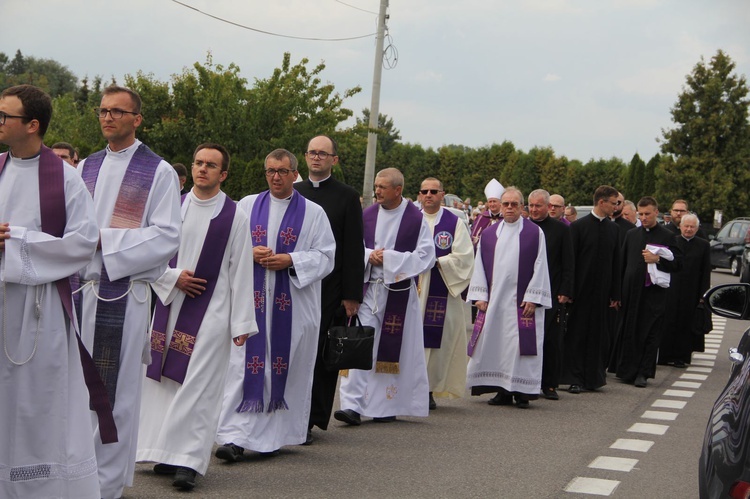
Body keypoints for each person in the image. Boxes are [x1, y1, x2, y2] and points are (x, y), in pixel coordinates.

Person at [76, 85, 181, 499]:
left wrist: (105, 243)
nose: (108, 118)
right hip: (80, 292)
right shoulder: (85, 166)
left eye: (118, 112)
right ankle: (81, 475)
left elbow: (167, 236)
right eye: (103, 111)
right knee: (80, 389)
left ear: (137, 119)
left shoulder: (157, 172)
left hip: (123, 295)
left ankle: (107, 485)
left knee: (113, 393)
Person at [136, 144, 257, 491]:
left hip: (213, 314)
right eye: (199, 163)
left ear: (224, 174)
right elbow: (150, 254)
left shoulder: (235, 216)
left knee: (199, 388)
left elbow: (241, 270)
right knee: (163, 382)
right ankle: (166, 451)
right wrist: (173, 278)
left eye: (211, 165)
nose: (203, 169)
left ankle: (188, 461)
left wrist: (241, 323)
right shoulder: (172, 206)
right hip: (169, 305)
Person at [0, 85, 100, 498]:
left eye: (5, 116)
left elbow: (83, 242)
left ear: (32, 125)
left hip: (39, 312)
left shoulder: (65, 178)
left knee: (39, 403)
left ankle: (42, 488)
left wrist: (16, 242)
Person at [215, 148, 335, 459]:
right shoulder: (246, 206)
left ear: (295, 174)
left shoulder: (313, 213)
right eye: (270, 171)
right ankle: (234, 437)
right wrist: (249, 252)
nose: (276, 177)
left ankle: (272, 437)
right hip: (249, 305)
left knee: (282, 369)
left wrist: (291, 260)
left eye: (282, 171)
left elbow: (326, 257)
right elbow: (225, 246)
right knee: (242, 368)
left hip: (292, 307)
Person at [335, 168, 435, 425]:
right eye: (376, 186)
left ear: (398, 190)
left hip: (398, 292)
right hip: (369, 290)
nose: (376, 191)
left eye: (382, 187)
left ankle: (385, 406)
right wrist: (369, 255)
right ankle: (352, 406)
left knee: (394, 349)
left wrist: (388, 258)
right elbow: (350, 249)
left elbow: (426, 257)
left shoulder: (416, 219)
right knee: (360, 342)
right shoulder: (366, 215)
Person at [294, 135, 364, 443]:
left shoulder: (347, 196)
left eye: (323, 154)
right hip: (295, 285)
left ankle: (312, 418)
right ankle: (290, 414)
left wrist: (352, 294)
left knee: (322, 354)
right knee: (295, 350)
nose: (316, 158)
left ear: (334, 160)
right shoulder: (294, 193)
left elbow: (352, 247)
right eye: (312, 153)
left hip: (330, 289)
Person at [467, 187, 551, 409]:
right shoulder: (489, 234)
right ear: (500, 207)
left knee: (520, 347)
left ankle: (522, 392)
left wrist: (533, 297)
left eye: (515, 204)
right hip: (495, 303)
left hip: (522, 304)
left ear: (522, 207)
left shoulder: (534, 233)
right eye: (506, 204)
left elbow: (541, 265)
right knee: (498, 346)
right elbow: (479, 267)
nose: (510, 208)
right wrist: (480, 296)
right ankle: (502, 391)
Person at [609, 197, 682, 387]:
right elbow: (622, 264)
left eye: (647, 214)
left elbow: (677, 264)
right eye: (641, 214)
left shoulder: (668, 236)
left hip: (653, 295)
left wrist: (658, 259)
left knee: (649, 332)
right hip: (630, 292)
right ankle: (626, 370)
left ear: (656, 213)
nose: (644, 218)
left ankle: (643, 372)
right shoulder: (632, 234)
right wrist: (617, 294)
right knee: (629, 329)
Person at [418, 177, 474, 409]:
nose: (429, 194)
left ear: (443, 194)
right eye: (424, 191)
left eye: (433, 191)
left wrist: (437, 262)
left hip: (440, 287)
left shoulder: (454, 222)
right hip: (411, 288)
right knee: (410, 339)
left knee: (438, 342)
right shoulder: (410, 218)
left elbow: (464, 256)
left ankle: (429, 388)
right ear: (419, 194)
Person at [562, 185, 621, 393]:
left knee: (599, 336)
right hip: (580, 292)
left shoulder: (614, 229)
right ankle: (575, 378)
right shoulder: (578, 227)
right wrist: (567, 290)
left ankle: (594, 378)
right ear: (601, 202)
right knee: (577, 335)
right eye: (614, 203)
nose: (616, 207)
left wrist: (616, 293)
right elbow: (570, 262)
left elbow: (617, 263)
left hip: (603, 293)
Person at [528, 189, 574, 400]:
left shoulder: (561, 230)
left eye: (539, 206)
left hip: (552, 293)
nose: (534, 210)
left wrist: (565, 290)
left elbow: (568, 262)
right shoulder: (523, 228)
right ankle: (526, 382)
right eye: (531, 205)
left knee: (551, 340)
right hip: (524, 293)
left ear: (548, 207)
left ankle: (549, 384)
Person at [660, 213, 711, 367]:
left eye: (692, 227)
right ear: (680, 226)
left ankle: (681, 357)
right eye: (686, 226)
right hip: (672, 289)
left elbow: (705, 272)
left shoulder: (703, 245)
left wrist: (704, 295)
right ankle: (664, 355)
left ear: (697, 228)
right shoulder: (672, 242)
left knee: (685, 323)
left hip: (691, 290)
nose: (688, 229)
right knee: (668, 321)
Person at [470, 178, 504, 247]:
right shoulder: (481, 217)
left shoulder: (505, 218)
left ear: (500, 203)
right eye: (490, 202)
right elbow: (473, 236)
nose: (492, 204)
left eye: (494, 201)